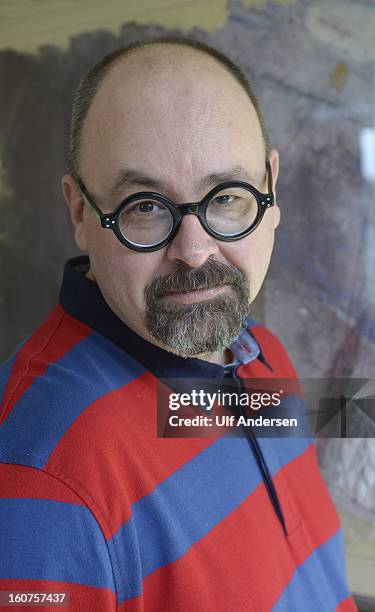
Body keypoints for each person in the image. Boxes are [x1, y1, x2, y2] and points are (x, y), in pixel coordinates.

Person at [0, 37, 356, 611]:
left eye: (227, 197)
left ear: (271, 186)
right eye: (144, 205)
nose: (194, 251)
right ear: (80, 214)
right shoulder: (38, 481)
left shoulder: (259, 353)